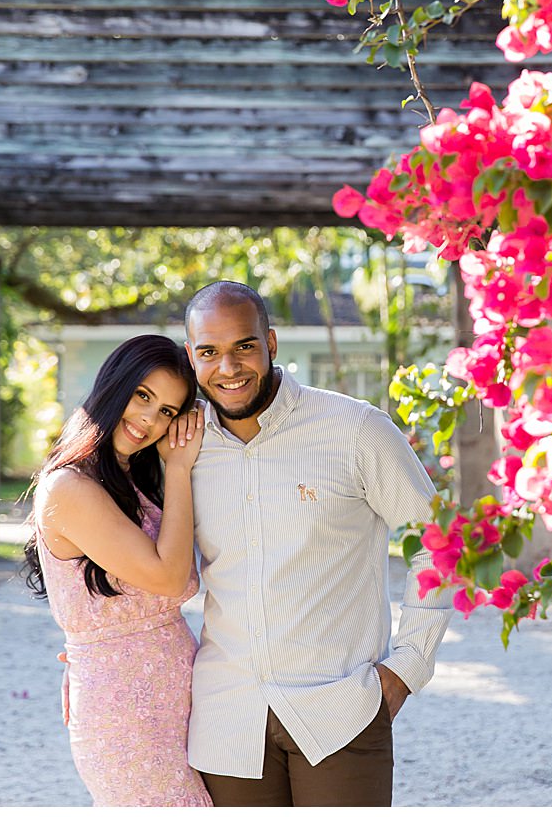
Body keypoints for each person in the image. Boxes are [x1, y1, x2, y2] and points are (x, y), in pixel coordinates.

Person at [181, 280, 452, 806]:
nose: (229, 367)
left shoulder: (355, 430)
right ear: (191, 357)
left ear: (272, 343)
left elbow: (439, 541)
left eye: (244, 346)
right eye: (209, 352)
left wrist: (408, 666)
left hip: (340, 711)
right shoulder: (183, 448)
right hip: (228, 717)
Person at [22, 334, 212, 807]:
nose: (149, 420)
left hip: (171, 698)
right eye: (143, 396)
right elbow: (172, 578)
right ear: (114, 384)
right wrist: (180, 469)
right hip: (128, 715)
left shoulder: (133, 480)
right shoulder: (70, 485)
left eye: (167, 411)